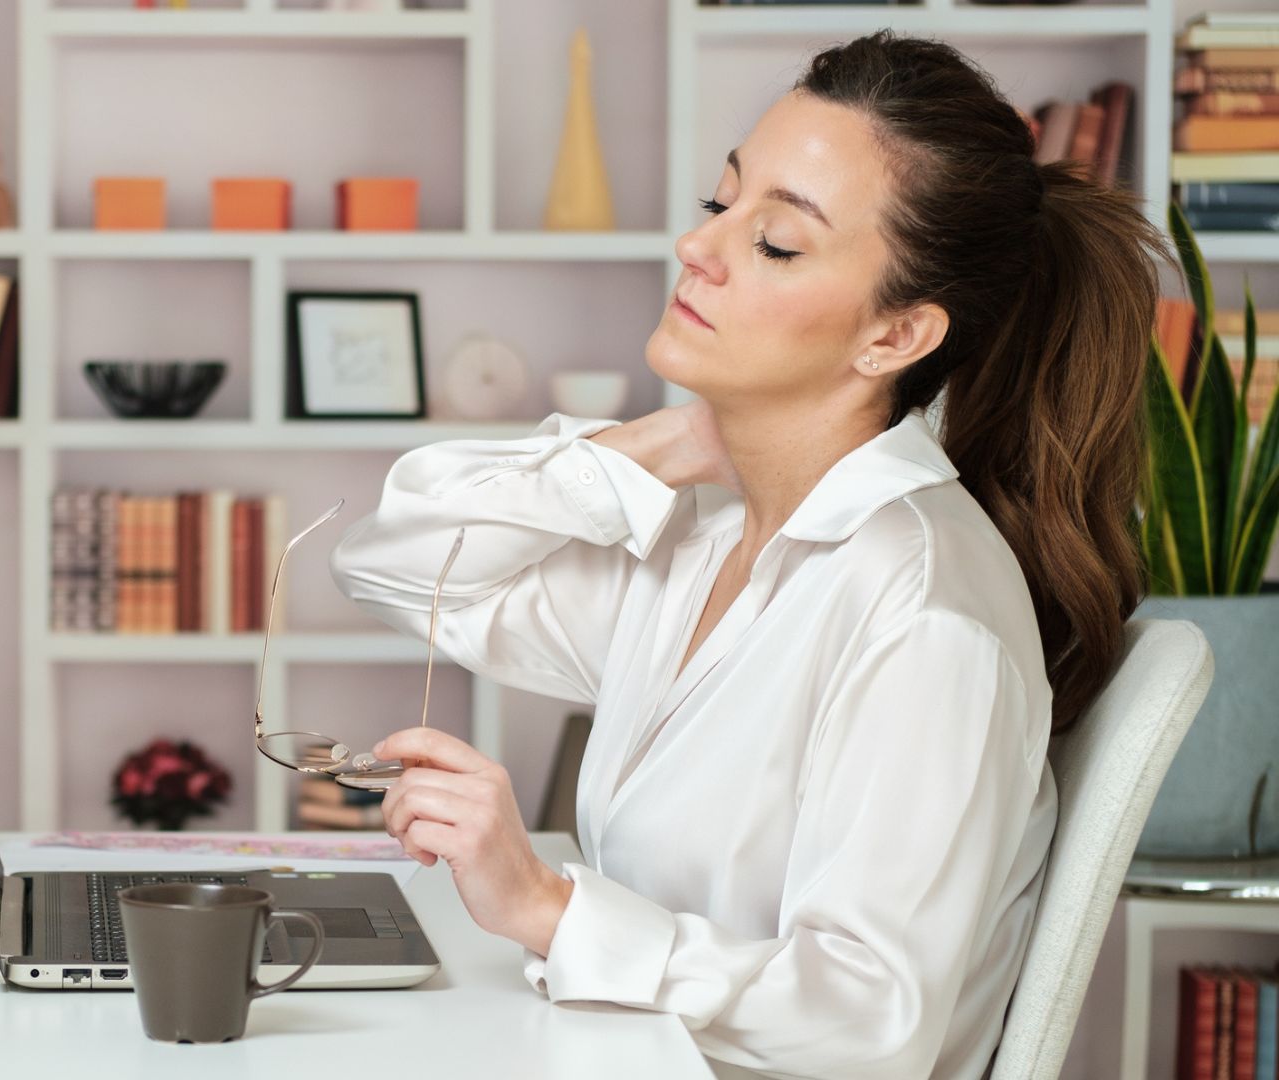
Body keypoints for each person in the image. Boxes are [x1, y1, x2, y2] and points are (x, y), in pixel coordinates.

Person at [329, 30, 1174, 1080]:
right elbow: (399, 561)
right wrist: (661, 444)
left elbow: (872, 1024)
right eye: (719, 201)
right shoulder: (709, 546)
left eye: (776, 244)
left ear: (895, 338)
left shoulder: (922, 612)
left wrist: (547, 907)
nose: (703, 246)